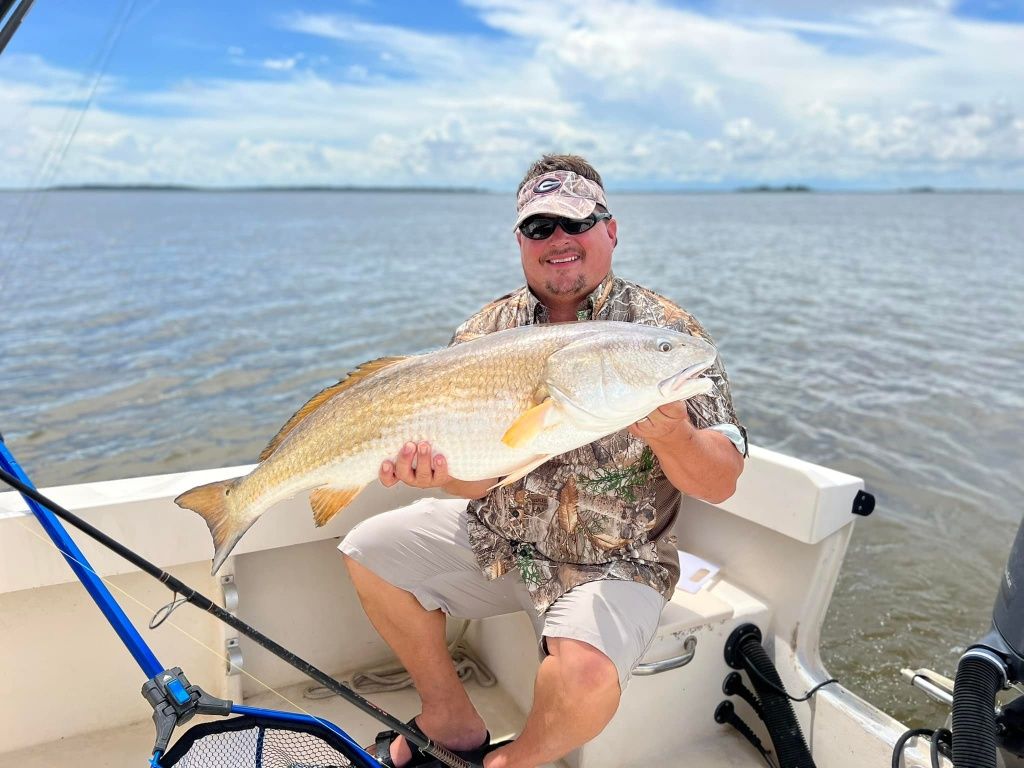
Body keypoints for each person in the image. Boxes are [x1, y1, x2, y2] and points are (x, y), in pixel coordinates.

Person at [339, 154, 747, 768]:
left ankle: (513, 762)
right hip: (499, 540)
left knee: (584, 678)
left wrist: (675, 437)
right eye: (540, 226)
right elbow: (478, 481)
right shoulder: (486, 331)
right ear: (521, 240)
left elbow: (721, 481)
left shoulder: (663, 335)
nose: (559, 239)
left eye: (578, 222)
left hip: (616, 561)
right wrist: (441, 474)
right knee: (368, 550)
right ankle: (450, 717)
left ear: (611, 230)